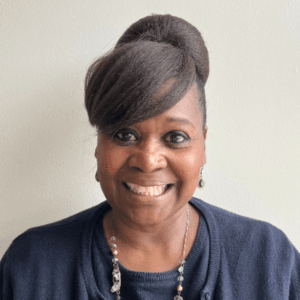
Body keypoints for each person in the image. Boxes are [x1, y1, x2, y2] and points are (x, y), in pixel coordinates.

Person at [1, 13, 299, 300]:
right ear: (98, 145)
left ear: (203, 145)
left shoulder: (270, 262)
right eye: (124, 135)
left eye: (176, 138)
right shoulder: (32, 267)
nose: (148, 160)